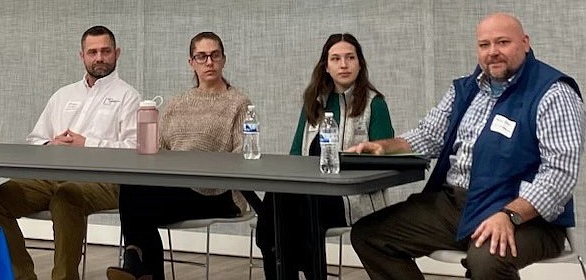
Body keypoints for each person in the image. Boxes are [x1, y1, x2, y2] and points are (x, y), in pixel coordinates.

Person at [347, 13, 584, 280]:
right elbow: (430, 135)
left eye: (503, 42)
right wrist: (385, 147)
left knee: (487, 260)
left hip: (526, 216)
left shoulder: (553, 92)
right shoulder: (467, 88)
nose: (493, 52)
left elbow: (559, 172)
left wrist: (510, 215)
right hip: (457, 205)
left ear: (525, 43)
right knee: (370, 235)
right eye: (484, 45)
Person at [0, 25, 140, 280]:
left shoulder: (128, 97)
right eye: (92, 52)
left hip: (104, 180)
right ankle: (22, 275)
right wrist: (50, 145)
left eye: (105, 51)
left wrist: (86, 143)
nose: (99, 57)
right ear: (82, 56)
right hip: (50, 176)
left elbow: (134, 149)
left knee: (67, 196)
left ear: (117, 53)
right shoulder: (63, 95)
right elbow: (35, 139)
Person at [106, 32, 251, 280]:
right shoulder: (177, 103)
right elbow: (156, 150)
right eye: (201, 56)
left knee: (140, 207)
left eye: (214, 55)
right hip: (177, 188)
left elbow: (244, 155)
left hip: (219, 193)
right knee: (133, 190)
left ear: (224, 59)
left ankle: (136, 262)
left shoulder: (238, 103)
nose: (209, 62)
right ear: (191, 62)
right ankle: (137, 263)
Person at [255, 33, 394, 280]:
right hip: (311, 195)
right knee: (276, 205)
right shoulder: (314, 102)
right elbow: (296, 155)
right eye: (336, 58)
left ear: (359, 64)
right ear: (326, 67)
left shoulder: (375, 104)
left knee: (290, 211)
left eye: (350, 58)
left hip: (352, 198)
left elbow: (383, 163)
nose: (344, 64)